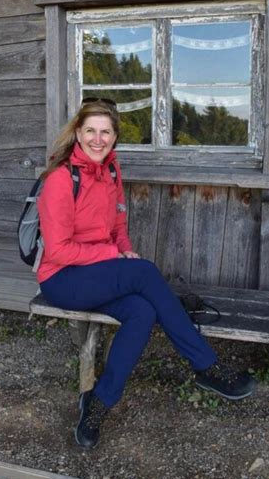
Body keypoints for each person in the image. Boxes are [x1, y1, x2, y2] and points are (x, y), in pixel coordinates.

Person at [37, 99, 255, 448]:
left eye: (105, 132)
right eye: (90, 130)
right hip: (62, 279)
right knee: (143, 273)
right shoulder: (61, 180)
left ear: (114, 137)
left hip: (97, 272)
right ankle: (206, 366)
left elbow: (118, 224)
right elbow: (58, 250)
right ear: (77, 133)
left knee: (143, 310)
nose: (98, 138)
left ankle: (97, 403)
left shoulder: (110, 171)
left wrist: (123, 247)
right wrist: (114, 254)